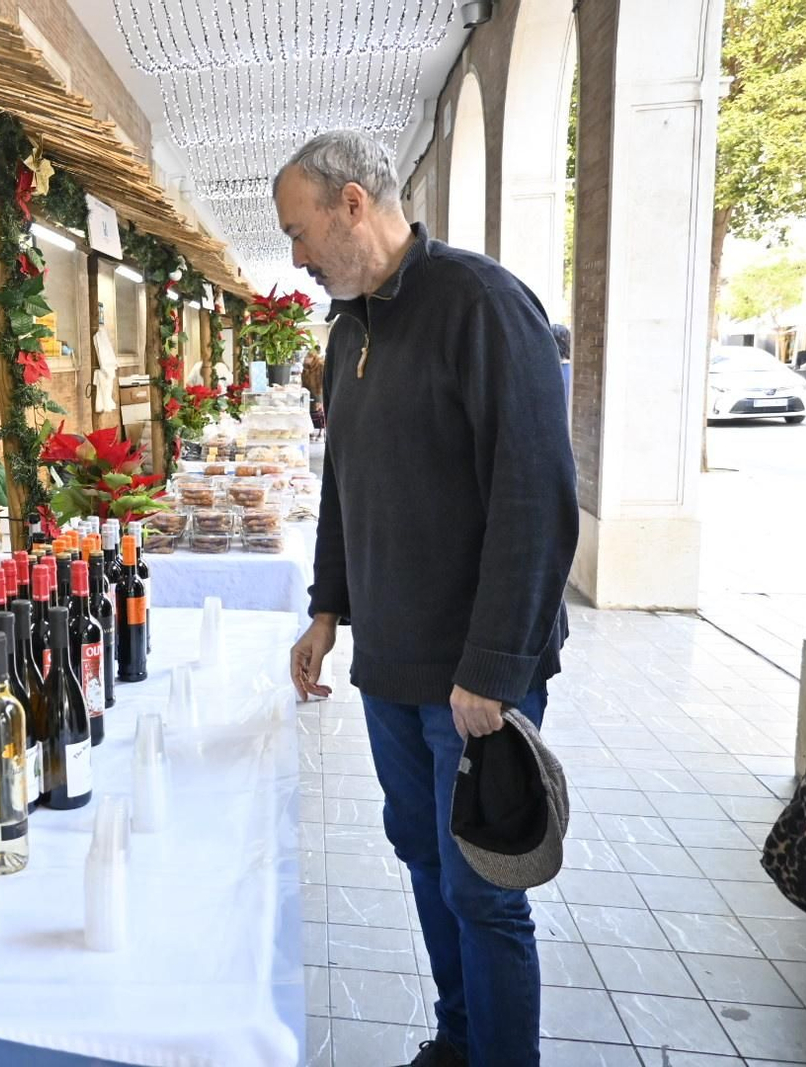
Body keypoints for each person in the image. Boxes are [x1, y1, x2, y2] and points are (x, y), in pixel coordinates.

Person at [279, 130, 578, 1067]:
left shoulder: (482, 305)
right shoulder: (349, 328)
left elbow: (536, 498)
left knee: (485, 889)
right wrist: (327, 609)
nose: (296, 256)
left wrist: (492, 668)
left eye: (299, 231)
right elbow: (343, 486)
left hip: (472, 679)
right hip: (391, 668)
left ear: (353, 203)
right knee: (421, 855)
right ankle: (458, 1039)